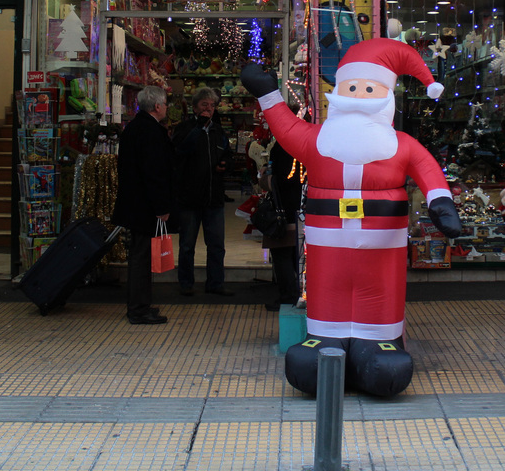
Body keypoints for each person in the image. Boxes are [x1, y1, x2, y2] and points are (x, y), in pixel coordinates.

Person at [241, 38, 462, 397]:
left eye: (369, 88)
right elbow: (286, 129)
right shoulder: (318, 139)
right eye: (353, 87)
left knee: (381, 292)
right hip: (328, 244)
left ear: (386, 95)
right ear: (339, 91)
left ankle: (379, 341)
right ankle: (324, 336)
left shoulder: (400, 143)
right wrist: (268, 94)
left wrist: (441, 204)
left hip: (382, 243)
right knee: (327, 288)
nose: (360, 95)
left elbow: (427, 169)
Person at [114, 86, 174, 325]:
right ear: (157, 106)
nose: (167, 108)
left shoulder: (134, 128)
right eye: (166, 104)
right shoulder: (150, 132)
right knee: (141, 258)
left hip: (135, 203)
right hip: (144, 206)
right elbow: (154, 173)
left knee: (141, 256)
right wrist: (162, 206)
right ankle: (138, 309)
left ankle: (141, 304)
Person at [172, 87, 232, 296]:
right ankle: (186, 283)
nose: (209, 109)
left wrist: (224, 162)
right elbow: (179, 152)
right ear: (195, 107)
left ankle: (215, 283)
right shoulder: (184, 128)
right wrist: (198, 128)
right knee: (187, 245)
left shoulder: (218, 130)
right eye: (204, 104)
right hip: (190, 197)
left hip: (213, 197)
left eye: (212, 105)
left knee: (216, 244)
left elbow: (227, 153)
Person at [260, 138, 302, 312]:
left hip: (283, 208)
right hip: (300, 206)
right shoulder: (304, 143)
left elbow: (281, 180)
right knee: (295, 254)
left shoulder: (284, 145)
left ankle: (288, 296)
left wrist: (266, 176)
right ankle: (297, 293)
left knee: (282, 252)